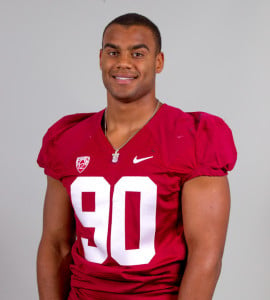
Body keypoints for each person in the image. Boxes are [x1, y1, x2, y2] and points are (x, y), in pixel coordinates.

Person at [37, 13, 237, 300]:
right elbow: (55, 243)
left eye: (138, 53)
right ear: (100, 58)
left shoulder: (194, 137)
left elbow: (206, 256)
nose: (123, 62)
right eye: (113, 51)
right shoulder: (67, 137)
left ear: (158, 62)